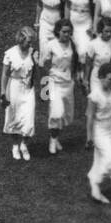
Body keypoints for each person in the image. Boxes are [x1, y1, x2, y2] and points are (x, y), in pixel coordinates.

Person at [41, 18, 80, 155]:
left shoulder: (72, 45)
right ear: (58, 31)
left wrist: (74, 77)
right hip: (54, 83)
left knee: (65, 115)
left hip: (68, 83)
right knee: (56, 113)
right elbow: (43, 64)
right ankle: (52, 140)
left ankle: (56, 137)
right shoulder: (51, 45)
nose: (67, 35)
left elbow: (75, 63)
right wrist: (45, 89)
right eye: (64, 32)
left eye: (69, 32)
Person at [0, 26, 39, 161]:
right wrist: (3, 93)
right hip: (14, 89)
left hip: (28, 90)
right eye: (29, 41)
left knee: (29, 120)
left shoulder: (33, 53)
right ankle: (15, 146)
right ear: (21, 40)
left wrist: (46, 93)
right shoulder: (10, 54)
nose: (30, 44)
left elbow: (40, 72)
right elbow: (5, 75)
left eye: (32, 42)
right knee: (13, 119)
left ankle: (24, 145)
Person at [85, 62, 111, 203]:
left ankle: (95, 188)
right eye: (110, 79)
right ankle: (95, 179)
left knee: (101, 160)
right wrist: (89, 136)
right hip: (98, 130)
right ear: (100, 77)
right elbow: (90, 116)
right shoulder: (94, 95)